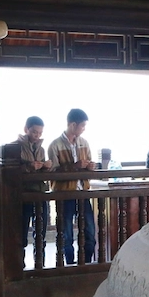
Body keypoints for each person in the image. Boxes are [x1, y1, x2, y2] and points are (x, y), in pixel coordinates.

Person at [48, 108, 96, 264]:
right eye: (82, 126)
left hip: (82, 192)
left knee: (90, 231)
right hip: (64, 194)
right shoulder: (55, 145)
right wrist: (74, 166)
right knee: (66, 233)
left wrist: (89, 167)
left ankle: (86, 263)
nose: (84, 129)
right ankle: (69, 264)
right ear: (73, 124)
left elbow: (88, 162)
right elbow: (52, 171)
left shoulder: (84, 143)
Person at [10, 116, 52, 267]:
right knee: (20, 231)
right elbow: (9, 172)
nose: (37, 135)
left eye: (40, 133)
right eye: (34, 132)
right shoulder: (14, 147)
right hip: (23, 193)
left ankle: (39, 262)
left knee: (41, 231)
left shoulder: (41, 149)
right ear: (26, 129)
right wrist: (29, 167)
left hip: (40, 193)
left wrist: (47, 166)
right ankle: (18, 264)